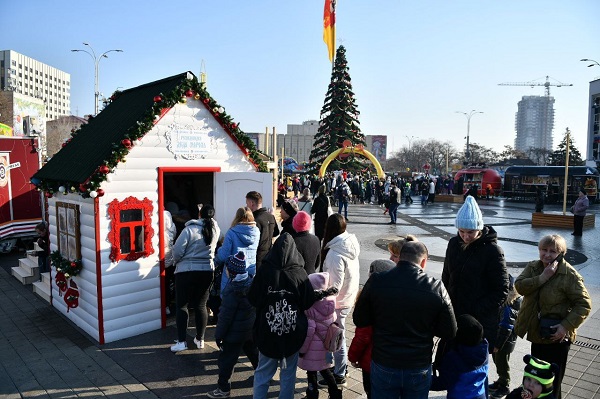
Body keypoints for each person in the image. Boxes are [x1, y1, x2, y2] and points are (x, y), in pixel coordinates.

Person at [353, 241, 457, 399]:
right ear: (423, 261)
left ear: (399, 258)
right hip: (418, 365)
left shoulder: (377, 281)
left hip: (384, 361)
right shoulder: (437, 288)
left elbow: (359, 319)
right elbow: (450, 331)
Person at [248, 233, 335, 399]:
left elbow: (253, 298)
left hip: (267, 332)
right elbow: (308, 301)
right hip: (293, 332)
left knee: (263, 373)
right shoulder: (299, 273)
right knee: (288, 376)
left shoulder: (265, 271)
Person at [514, 234, 591, 399]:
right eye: (543, 250)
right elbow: (519, 287)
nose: (547, 255)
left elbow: (584, 304)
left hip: (557, 337)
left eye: (552, 251)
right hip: (538, 334)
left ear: (561, 253)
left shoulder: (569, 275)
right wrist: (543, 277)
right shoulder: (534, 267)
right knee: (535, 380)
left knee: (552, 383)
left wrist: (565, 326)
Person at [441, 195, 509, 357]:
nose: (465, 236)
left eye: (470, 232)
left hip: (478, 324)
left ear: (479, 228)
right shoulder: (453, 244)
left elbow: (501, 291)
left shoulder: (493, 251)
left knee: (472, 371)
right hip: (454, 318)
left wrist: (473, 310)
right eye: (461, 231)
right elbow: (446, 277)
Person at [206, 251, 259, 399]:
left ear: (231, 271)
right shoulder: (250, 282)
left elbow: (225, 317)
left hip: (233, 334)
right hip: (249, 330)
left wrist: (218, 336)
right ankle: (262, 377)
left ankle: (223, 389)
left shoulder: (231, 291)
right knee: (254, 355)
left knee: (226, 361)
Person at [170, 204, 221, 352]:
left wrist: (176, 261)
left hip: (186, 271)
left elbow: (177, 251)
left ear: (199, 215)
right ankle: (200, 339)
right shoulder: (215, 229)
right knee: (201, 305)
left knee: (182, 305)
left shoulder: (189, 230)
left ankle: (181, 342)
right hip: (206, 272)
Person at [319, 214, 361, 387]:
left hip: (338, 301)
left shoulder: (336, 254)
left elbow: (334, 285)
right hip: (348, 296)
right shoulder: (348, 244)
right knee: (338, 334)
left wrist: (321, 298)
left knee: (337, 336)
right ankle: (337, 368)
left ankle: (339, 373)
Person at [348, 259, 396, 399]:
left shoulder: (369, 300)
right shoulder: (399, 298)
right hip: (394, 362)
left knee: (372, 393)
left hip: (372, 363)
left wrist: (353, 356)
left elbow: (363, 336)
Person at [298, 272, 343, 399]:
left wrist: (302, 351)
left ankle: (312, 395)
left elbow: (308, 334)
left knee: (311, 372)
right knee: (325, 370)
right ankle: (335, 394)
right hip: (325, 347)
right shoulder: (330, 304)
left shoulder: (310, 310)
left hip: (312, 350)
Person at [431, 314, 489, 399]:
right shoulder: (484, 349)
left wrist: (424, 379)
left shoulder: (453, 358)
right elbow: (485, 379)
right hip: (480, 395)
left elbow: (443, 383)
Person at [489, 275, 523, 399]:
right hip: (502, 341)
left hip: (504, 342)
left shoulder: (508, 306)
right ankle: (501, 381)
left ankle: (504, 386)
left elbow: (505, 328)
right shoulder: (507, 303)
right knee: (498, 361)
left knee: (502, 363)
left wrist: (498, 345)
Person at [215, 207, 260, 294]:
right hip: (250, 271)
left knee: (229, 302)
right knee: (246, 302)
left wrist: (216, 256)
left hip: (233, 272)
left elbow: (224, 255)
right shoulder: (256, 232)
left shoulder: (231, 232)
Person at [246, 191, 279, 268]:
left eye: (247, 203)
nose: (246, 206)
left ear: (252, 203)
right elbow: (276, 233)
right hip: (269, 256)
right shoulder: (270, 216)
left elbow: (250, 241)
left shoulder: (254, 220)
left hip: (257, 259)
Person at [163, 210, 177, 314]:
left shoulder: (161, 233)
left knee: (164, 284)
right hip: (171, 259)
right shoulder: (171, 230)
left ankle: (165, 306)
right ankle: (170, 304)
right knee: (170, 282)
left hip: (162, 260)